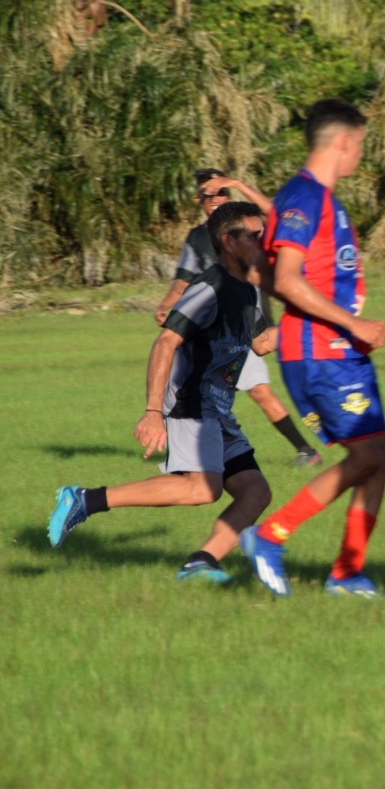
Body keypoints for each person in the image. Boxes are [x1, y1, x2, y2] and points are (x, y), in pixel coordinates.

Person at [47, 202, 278, 583]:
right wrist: (153, 411)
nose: (262, 242)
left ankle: (200, 562)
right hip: (191, 401)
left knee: (255, 491)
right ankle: (84, 499)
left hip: (218, 405)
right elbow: (165, 341)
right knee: (201, 490)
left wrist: (321, 324)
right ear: (229, 241)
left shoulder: (247, 291)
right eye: (254, 236)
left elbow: (260, 344)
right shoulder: (211, 286)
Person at [240, 98, 385, 599]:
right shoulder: (304, 198)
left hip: (338, 350)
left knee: (381, 454)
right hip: (321, 351)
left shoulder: (318, 199)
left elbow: (263, 270)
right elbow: (286, 279)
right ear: (344, 141)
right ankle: (269, 535)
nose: (360, 155)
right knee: (371, 452)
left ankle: (348, 572)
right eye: (361, 145)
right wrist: (355, 322)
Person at [156, 168, 323, 467]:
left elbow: (278, 217)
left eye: (223, 192)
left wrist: (237, 183)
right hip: (213, 332)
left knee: (257, 389)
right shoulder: (197, 238)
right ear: (199, 200)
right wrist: (168, 302)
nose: (217, 198)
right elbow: (183, 279)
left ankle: (303, 449)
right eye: (210, 194)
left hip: (245, 322)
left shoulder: (248, 227)